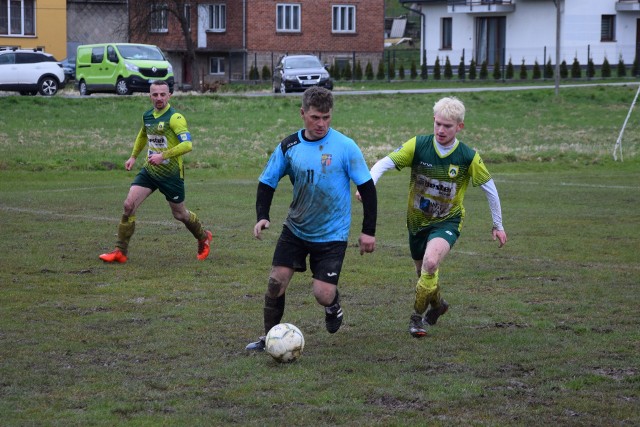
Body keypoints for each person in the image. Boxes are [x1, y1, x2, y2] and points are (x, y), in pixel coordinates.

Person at [359, 96, 507, 338]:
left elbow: (489, 188)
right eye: (437, 123)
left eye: (447, 126)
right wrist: (369, 184)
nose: (440, 129)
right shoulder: (418, 146)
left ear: (459, 126)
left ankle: (416, 319)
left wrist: (497, 225)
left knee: (430, 264)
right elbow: (383, 164)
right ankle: (438, 305)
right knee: (424, 276)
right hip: (416, 223)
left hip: (447, 221)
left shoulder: (467, 156)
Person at [245, 86, 377, 351]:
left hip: (332, 234)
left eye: (326, 117)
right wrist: (262, 216)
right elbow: (267, 182)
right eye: (315, 117)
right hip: (296, 228)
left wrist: (368, 231)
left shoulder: (345, 146)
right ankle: (270, 337)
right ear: (302, 113)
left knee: (322, 294)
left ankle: (333, 305)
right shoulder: (289, 146)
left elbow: (367, 188)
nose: (321, 123)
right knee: (275, 282)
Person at [99, 80, 212, 264]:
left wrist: (163, 155)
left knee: (180, 215)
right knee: (129, 205)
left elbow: (187, 145)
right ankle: (120, 251)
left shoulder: (175, 118)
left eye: (162, 94)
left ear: (169, 96)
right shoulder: (148, 116)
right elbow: (143, 135)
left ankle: (203, 237)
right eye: (155, 94)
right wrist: (133, 156)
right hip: (150, 171)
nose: (159, 98)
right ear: (149, 96)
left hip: (171, 175)